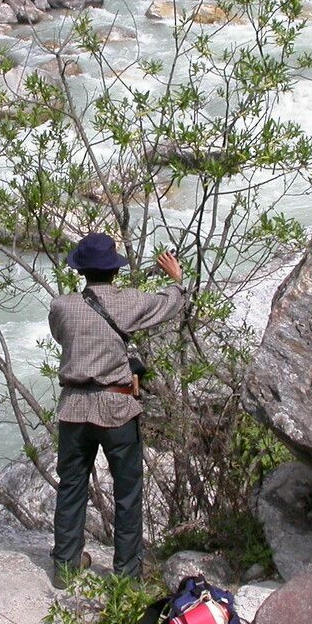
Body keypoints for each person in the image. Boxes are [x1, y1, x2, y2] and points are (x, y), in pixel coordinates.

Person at [48, 232, 185, 588]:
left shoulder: (61, 306)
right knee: (127, 493)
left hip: (74, 408)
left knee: (71, 487)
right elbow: (169, 305)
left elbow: (62, 337)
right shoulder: (130, 301)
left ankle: (65, 566)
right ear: (114, 270)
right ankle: (127, 576)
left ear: (81, 271)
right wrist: (177, 281)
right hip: (118, 408)